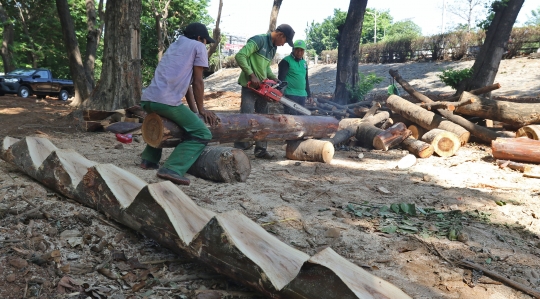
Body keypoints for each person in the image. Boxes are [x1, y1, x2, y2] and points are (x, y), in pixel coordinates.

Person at [139, 22, 218, 186]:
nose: (206, 44)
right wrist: (203, 110)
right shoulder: (198, 46)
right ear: (199, 38)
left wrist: (195, 112)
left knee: (164, 123)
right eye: (205, 41)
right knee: (202, 133)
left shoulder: (175, 45)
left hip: (148, 100)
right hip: (165, 102)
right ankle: (172, 168)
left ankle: (148, 160)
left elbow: (187, 85)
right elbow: (197, 82)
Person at [234, 24, 295, 159]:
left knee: (264, 118)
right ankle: (240, 148)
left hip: (262, 87)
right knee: (246, 116)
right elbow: (240, 56)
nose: (283, 44)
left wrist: (273, 78)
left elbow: (266, 67)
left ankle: (261, 149)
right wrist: (251, 74)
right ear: (281, 35)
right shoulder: (259, 40)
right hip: (250, 86)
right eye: (285, 41)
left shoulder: (272, 48)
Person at [277, 39, 312, 115]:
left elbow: (305, 79)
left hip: (302, 95)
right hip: (290, 94)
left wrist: (309, 95)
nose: (299, 53)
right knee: (291, 118)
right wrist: (279, 93)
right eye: (297, 50)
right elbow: (281, 79)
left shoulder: (304, 63)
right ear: (293, 49)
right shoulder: (286, 61)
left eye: (301, 50)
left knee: (301, 118)